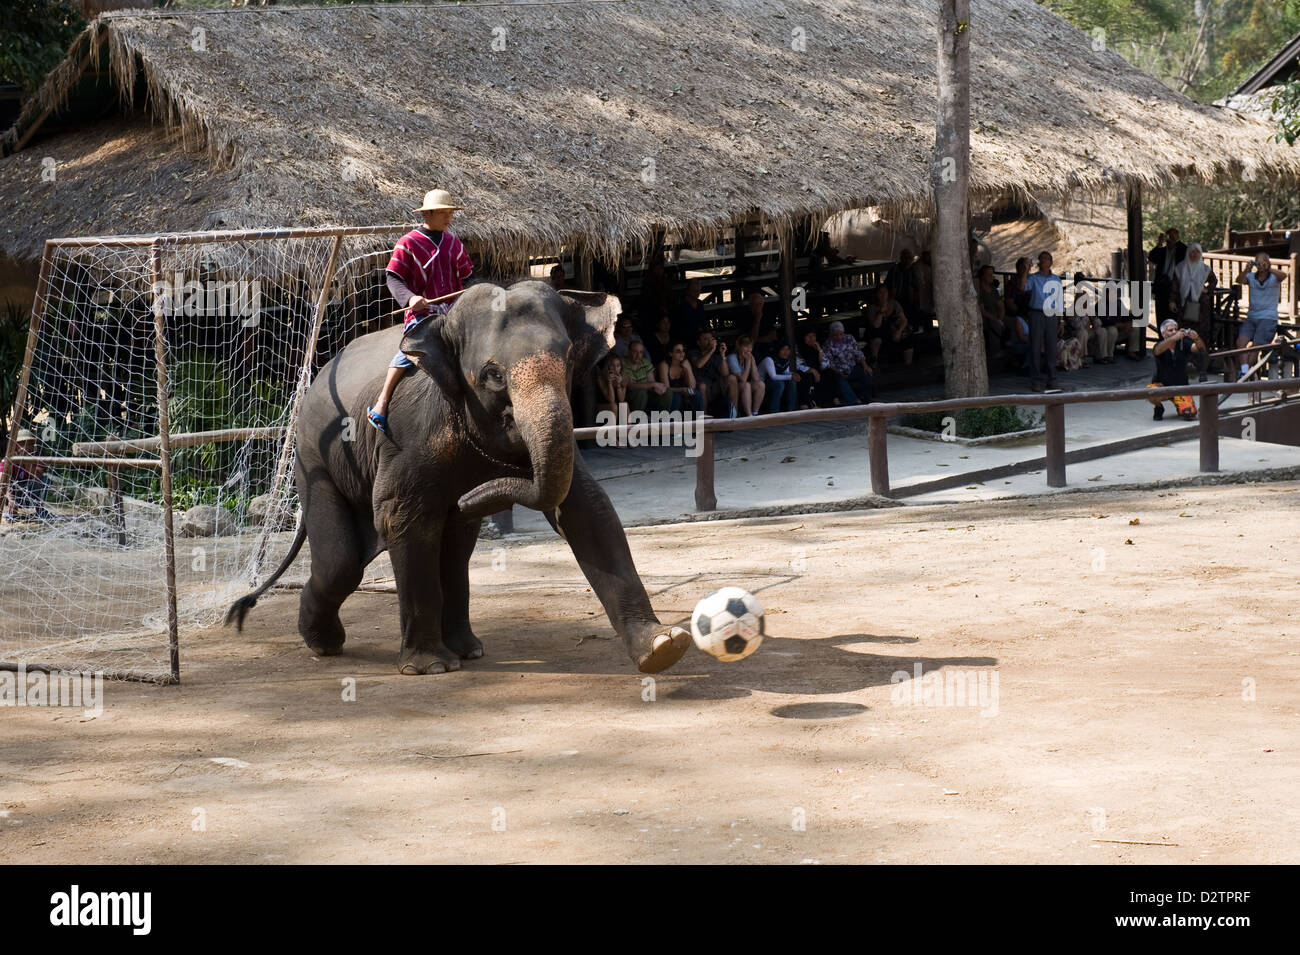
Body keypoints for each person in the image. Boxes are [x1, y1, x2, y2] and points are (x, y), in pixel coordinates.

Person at [367, 189, 474, 436]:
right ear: (429, 213)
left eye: (451, 212)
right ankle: (382, 403)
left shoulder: (454, 243)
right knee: (408, 353)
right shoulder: (408, 243)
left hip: (453, 315)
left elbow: (469, 278)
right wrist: (410, 298)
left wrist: (472, 293)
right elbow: (393, 278)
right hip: (422, 315)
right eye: (445, 212)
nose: (449, 217)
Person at [1234, 253, 1288, 379]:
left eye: (1263, 262)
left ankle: (1245, 373)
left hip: (1268, 318)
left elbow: (1284, 275)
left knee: (1256, 347)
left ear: (1268, 263)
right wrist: (1246, 269)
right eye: (1258, 262)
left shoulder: (1274, 277)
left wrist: (1269, 268)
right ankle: (1245, 371)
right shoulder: (1252, 276)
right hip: (1252, 317)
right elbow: (1239, 280)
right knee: (1240, 342)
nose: (1260, 265)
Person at [1025, 251, 1064, 393]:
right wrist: (1025, 271)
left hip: (1052, 314)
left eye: (1047, 259)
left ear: (1051, 262)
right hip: (1037, 313)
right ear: (1039, 262)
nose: (1044, 261)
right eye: (1042, 259)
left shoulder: (1056, 279)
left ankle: (1052, 379)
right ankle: (1036, 380)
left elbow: (1060, 301)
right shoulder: (1033, 278)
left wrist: (1062, 321)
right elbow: (1023, 287)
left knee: (1051, 347)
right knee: (1035, 347)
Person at [1149, 319, 1202, 421]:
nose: (1174, 332)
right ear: (1163, 333)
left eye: (1176, 329)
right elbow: (1157, 351)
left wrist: (1197, 338)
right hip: (1162, 385)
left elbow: (1198, 349)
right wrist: (1173, 338)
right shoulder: (1160, 345)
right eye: (1170, 330)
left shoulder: (1183, 343)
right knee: (1150, 393)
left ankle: (1181, 407)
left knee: (1190, 415)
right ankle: (1159, 407)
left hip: (1181, 387)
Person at [821, 320, 875, 404]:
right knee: (840, 380)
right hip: (839, 371)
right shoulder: (827, 344)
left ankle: (866, 397)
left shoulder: (849, 338)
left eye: (841, 334)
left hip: (852, 367)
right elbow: (829, 363)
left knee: (866, 373)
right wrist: (839, 373)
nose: (839, 337)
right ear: (831, 334)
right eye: (835, 335)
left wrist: (865, 365)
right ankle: (854, 401)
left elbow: (858, 352)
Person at [1, 429, 50, 521]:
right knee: (5, 480)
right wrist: (11, 499)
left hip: (30, 494)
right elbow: (2, 480)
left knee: (45, 480)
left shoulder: (37, 457)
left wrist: (26, 461)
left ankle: (39, 510)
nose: (28, 446)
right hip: (13, 494)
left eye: (30, 443)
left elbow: (38, 476)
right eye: (23, 443)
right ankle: (10, 510)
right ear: (16, 445)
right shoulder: (9, 459)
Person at [1174, 242, 1216, 346]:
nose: (1195, 254)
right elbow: (1174, 286)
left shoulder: (1205, 268)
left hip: (1201, 304)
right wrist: (1171, 300)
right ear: (1188, 253)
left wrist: (1207, 290)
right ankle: (1184, 352)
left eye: (1197, 252)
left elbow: (1213, 281)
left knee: (1200, 331)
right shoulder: (1180, 268)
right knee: (1184, 330)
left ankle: (1200, 353)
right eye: (1192, 252)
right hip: (1184, 303)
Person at [689, 329, 738, 418]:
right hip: (700, 385)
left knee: (732, 378)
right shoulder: (694, 352)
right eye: (706, 339)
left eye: (711, 339)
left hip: (714, 386)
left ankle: (733, 414)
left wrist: (722, 355)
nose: (709, 341)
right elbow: (699, 364)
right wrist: (711, 350)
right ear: (699, 342)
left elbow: (725, 373)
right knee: (702, 386)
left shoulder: (715, 355)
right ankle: (705, 417)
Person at [1149, 227, 1187, 331]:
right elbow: (1151, 257)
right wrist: (1159, 243)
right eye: (1169, 236)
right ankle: (1162, 339)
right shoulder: (1161, 251)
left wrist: (1176, 242)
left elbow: (1186, 252)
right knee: (1161, 315)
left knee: (1173, 316)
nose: (1171, 239)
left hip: (1175, 288)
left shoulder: (1181, 250)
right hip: (1161, 287)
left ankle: (1174, 340)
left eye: (1174, 236)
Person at [864, 283, 913, 365]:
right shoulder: (872, 307)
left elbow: (904, 320)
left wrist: (899, 331)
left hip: (893, 330)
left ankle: (908, 364)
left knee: (907, 335)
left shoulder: (894, 303)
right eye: (880, 293)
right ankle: (874, 363)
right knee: (876, 337)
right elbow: (876, 325)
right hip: (879, 332)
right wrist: (881, 311)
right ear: (876, 295)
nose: (883, 295)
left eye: (885, 292)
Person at [622, 340, 671, 413]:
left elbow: (651, 381)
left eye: (641, 352)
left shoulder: (645, 362)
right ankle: (637, 421)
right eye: (635, 352)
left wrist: (657, 388)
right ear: (629, 352)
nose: (638, 355)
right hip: (629, 395)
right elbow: (630, 385)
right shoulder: (622, 363)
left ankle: (662, 419)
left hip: (646, 392)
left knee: (667, 392)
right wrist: (653, 384)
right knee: (641, 393)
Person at [727, 336, 767, 416]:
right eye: (746, 347)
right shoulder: (732, 357)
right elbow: (743, 379)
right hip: (731, 387)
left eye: (750, 347)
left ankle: (755, 412)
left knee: (761, 385)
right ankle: (749, 415)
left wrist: (752, 361)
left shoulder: (749, 357)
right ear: (739, 346)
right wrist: (748, 362)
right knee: (746, 385)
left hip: (742, 385)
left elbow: (756, 378)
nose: (748, 350)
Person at [658, 342, 703, 413]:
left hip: (684, 391)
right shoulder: (664, 365)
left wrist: (688, 369)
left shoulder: (685, 362)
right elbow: (666, 389)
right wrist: (682, 390)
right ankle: (673, 422)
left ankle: (699, 421)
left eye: (683, 351)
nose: (682, 353)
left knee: (697, 394)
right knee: (676, 397)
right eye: (678, 351)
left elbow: (692, 387)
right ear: (670, 353)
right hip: (669, 393)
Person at [760, 342, 800, 413]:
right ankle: (774, 411)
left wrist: (793, 374)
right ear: (777, 350)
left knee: (792, 382)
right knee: (780, 384)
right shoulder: (769, 359)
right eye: (783, 350)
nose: (786, 352)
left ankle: (792, 409)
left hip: (773, 382)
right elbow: (773, 376)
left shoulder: (785, 359)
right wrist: (791, 376)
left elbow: (785, 372)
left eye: (788, 349)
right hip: (761, 385)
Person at [976, 265, 1007, 357]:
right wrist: (996, 320)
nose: (991, 277)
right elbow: (983, 311)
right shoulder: (979, 291)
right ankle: (995, 352)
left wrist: (1000, 317)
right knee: (995, 325)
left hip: (998, 316)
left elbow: (1001, 305)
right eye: (988, 275)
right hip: (987, 318)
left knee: (1016, 322)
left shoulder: (994, 289)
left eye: (992, 274)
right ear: (982, 276)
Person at [675, 278, 709, 344]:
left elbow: (703, 321)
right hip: (687, 338)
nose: (697, 293)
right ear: (688, 291)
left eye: (698, 290)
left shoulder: (700, 303)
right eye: (694, 290)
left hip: (700, 337)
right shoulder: (681, 306)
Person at [595, 354, 628, 419]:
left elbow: (621, 400)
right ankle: (613, 429)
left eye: (618, 366)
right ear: (608, 367)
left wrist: (618, 384)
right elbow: (611, 400)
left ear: (621, 367)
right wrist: (609, 382)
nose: (615, 369)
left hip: (616, 406)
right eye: (612, 365)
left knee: (624, 405)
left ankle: (626, 429)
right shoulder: (601, 379)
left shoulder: (624, 378)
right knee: (613, 406)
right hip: (602, 406)